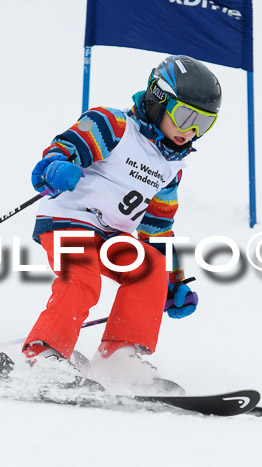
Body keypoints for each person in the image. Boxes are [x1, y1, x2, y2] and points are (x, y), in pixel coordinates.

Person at [22, 55, 221, 394]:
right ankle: (44, 354)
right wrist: (56, 166)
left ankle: (118, 355)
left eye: (204, 124)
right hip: (68, 221)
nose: (191, 131)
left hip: (111, 236)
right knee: (82, 276)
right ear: (159, 100)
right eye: (186, 116)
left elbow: (158, 229)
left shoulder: (171, 167)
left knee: (149, 266)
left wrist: (171, 283)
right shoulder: (112, 125)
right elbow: (63, 149)